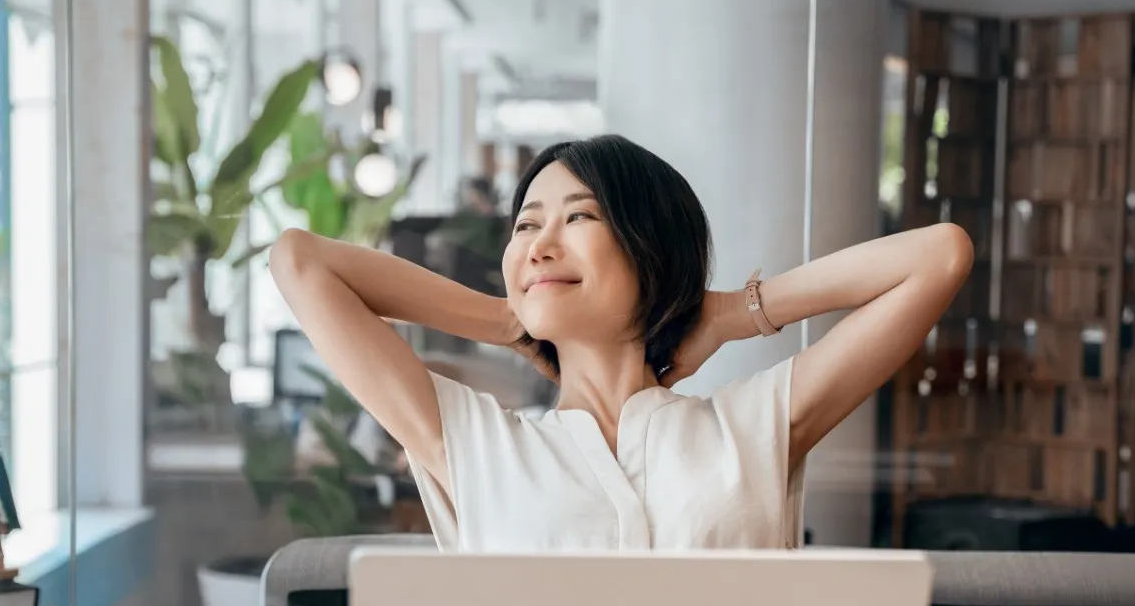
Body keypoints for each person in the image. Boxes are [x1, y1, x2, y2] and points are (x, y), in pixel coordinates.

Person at [270, 133, 972, 553]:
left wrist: (729, 313)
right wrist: (509, 318)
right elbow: (302, 263)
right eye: (524, 227)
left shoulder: (750, 426)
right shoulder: (473, 443)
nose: (540, 244)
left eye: (578, 218)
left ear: (648, 253)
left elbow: (939, 257)